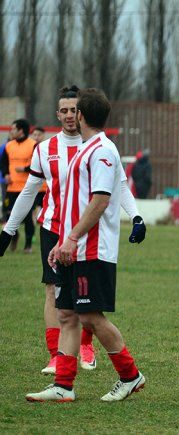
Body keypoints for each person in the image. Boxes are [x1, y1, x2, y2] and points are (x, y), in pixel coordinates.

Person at [0, 85, 146, 375]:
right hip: (54, 228)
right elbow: (29, 191)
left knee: (84, 299)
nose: (68, 115)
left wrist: (136, 215)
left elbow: (114, 187)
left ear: (81, 113)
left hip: (85, 231)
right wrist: (9, 230)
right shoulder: (45, 149)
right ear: (58, 114)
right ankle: (57, 356)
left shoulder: (97, 147)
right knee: (54, 291)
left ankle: (87, 345)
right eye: (63, 110)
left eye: (73, 110)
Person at [1, 119, 37, 253]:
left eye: (13, 129)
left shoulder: (33, 145)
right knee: (10, 217)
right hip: (11, 189)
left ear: (21, 131)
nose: (11, 131)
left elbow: (36, 164)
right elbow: (3, 163)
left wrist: (25, 169)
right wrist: (5, 174)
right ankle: (14, 238)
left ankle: (28, 245)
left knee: (28, 219)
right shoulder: (8, 145)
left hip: (27, 189)